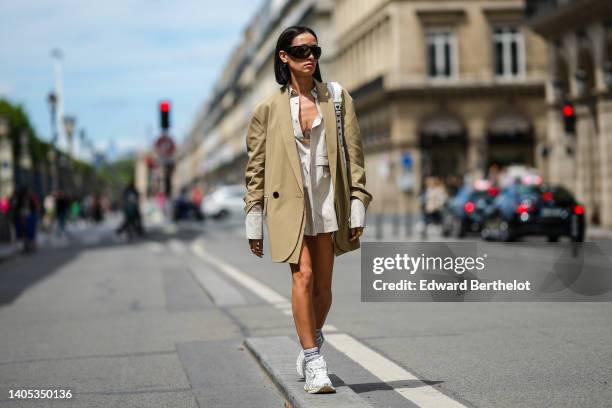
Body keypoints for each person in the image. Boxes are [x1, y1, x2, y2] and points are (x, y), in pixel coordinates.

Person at [243, 26, 373, 394]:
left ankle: (309, 338)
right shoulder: (267, 109)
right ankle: (315, 361)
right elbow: (255, 168)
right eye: (301, 51)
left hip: (328, 198)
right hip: (288, 204)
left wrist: (358, 202)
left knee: (324, 289)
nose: (310, 57)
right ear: (284, 56)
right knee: (303, 276)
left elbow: (355, 155)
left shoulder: (337, 98)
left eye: (314, 50)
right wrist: (254, 216)